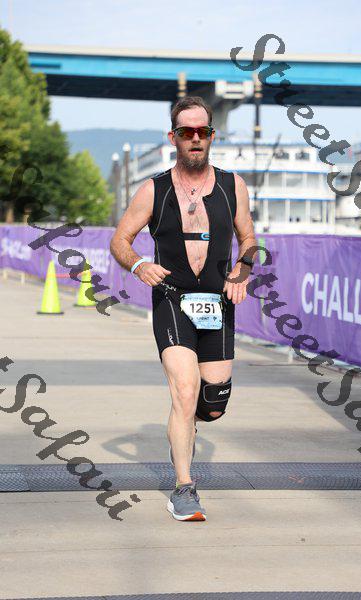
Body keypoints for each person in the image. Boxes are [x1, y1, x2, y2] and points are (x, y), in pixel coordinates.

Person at [110, 95, 257, 521]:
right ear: (173, 137)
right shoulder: (153, 189)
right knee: (185, 391)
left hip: (218, 303)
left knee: (211, 405)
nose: (195, 138)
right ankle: (184, 487)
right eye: (186, 131)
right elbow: (120, 240)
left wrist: (243, 272)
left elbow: (249, 239)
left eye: (202, 131)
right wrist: (139, 265)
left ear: (212, 136)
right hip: (172, 300)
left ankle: (183, 425)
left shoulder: (233, 186)